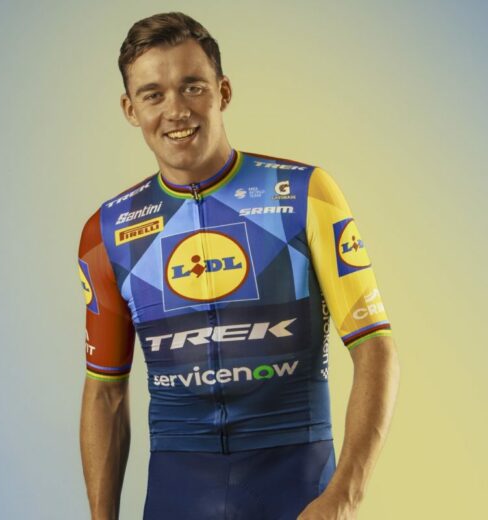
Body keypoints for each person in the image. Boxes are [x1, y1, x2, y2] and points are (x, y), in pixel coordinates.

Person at [78, 12, 400, 520]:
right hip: (176, 494)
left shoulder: (305, 193)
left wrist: (344, 497)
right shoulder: (107, 232)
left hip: (298, 486)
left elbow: (376, 349)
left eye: (192, 87)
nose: (176, 110)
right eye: (153, 95)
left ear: (223, 91)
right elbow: (105, 394)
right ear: (130, 109)